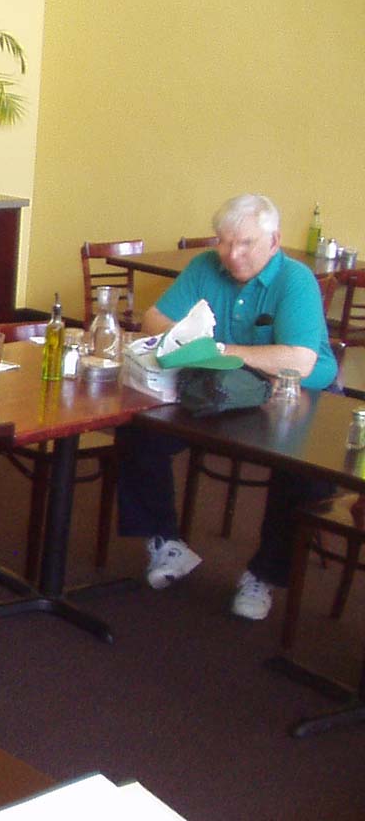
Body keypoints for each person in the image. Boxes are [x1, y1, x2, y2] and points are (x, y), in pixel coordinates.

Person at [115, 193, 338, 621]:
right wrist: (206, 348)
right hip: (218, 387)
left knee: (302, 473)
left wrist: (220, 349)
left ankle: (264, 575)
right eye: (224, 242)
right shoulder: (205, 267)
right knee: (138, 427)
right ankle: (166, 542)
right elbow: (154, 320)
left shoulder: (296, 280)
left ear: (274, 240)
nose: (232, 255)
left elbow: (301, 360)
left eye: (245, 244)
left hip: (295, 395)